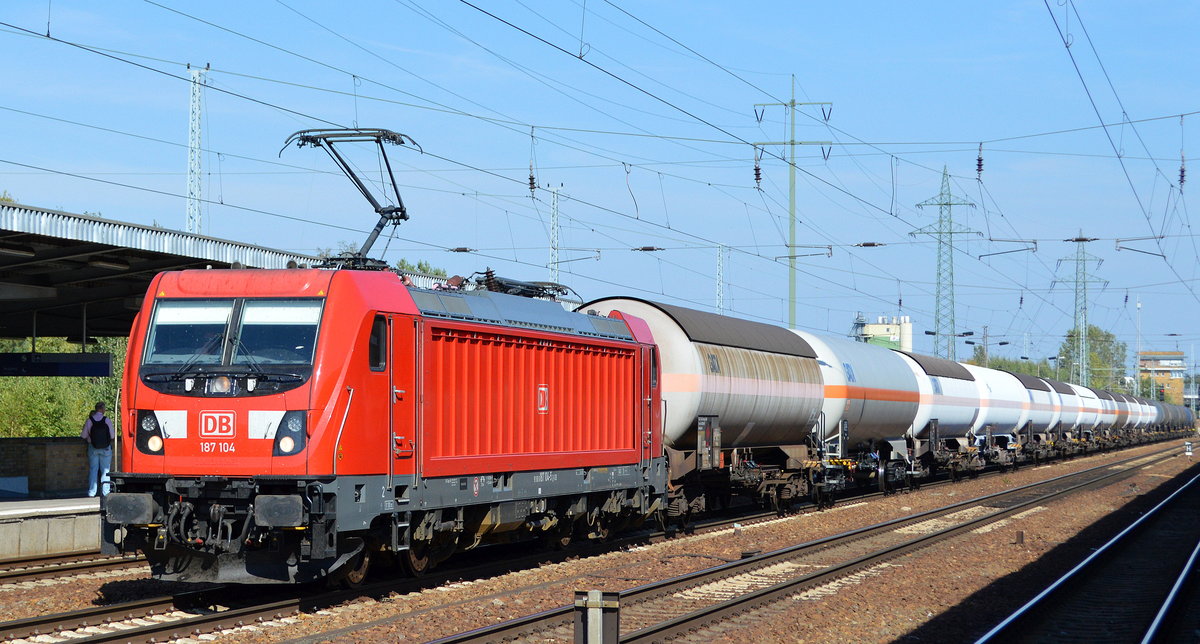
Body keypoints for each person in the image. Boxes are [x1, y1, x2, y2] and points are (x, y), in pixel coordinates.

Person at [81, 402, 115, 497]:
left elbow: (83, 435)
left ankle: (92, 492)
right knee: (105, 470)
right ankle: (105, 492)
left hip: (93, 447)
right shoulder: (106, 420)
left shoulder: (89, 421)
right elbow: (112, 436)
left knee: (93, 470)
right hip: (106, 449)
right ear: (102, 409)